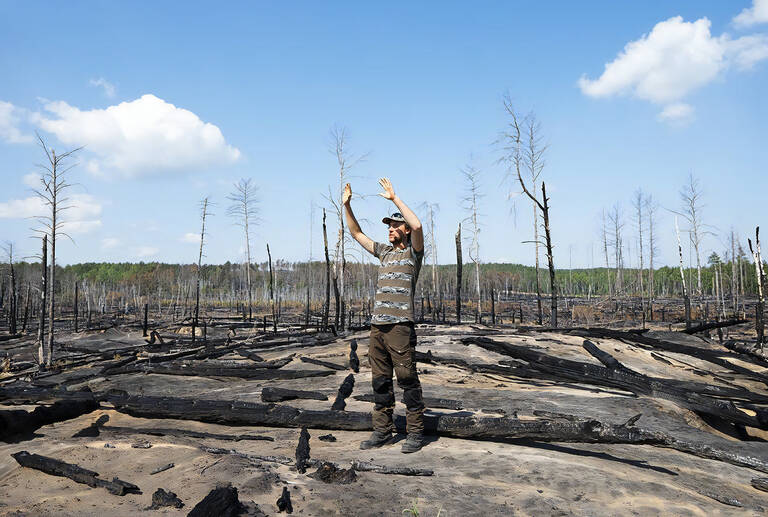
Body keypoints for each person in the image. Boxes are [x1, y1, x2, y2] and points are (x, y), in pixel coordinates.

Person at [343, 178, 426, 454]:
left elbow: (417, 226)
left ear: (403, 229)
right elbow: (356, 234)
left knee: (407, 379)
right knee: (380, 381)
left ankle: (415, 433)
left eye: (394, 225)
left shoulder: (413, 254)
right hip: (377, 328)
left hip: (400, 327)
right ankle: (382, 431)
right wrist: (347, 206)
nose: (390, 229)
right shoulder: (384, 252)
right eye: (388, 226)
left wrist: (395, 199)